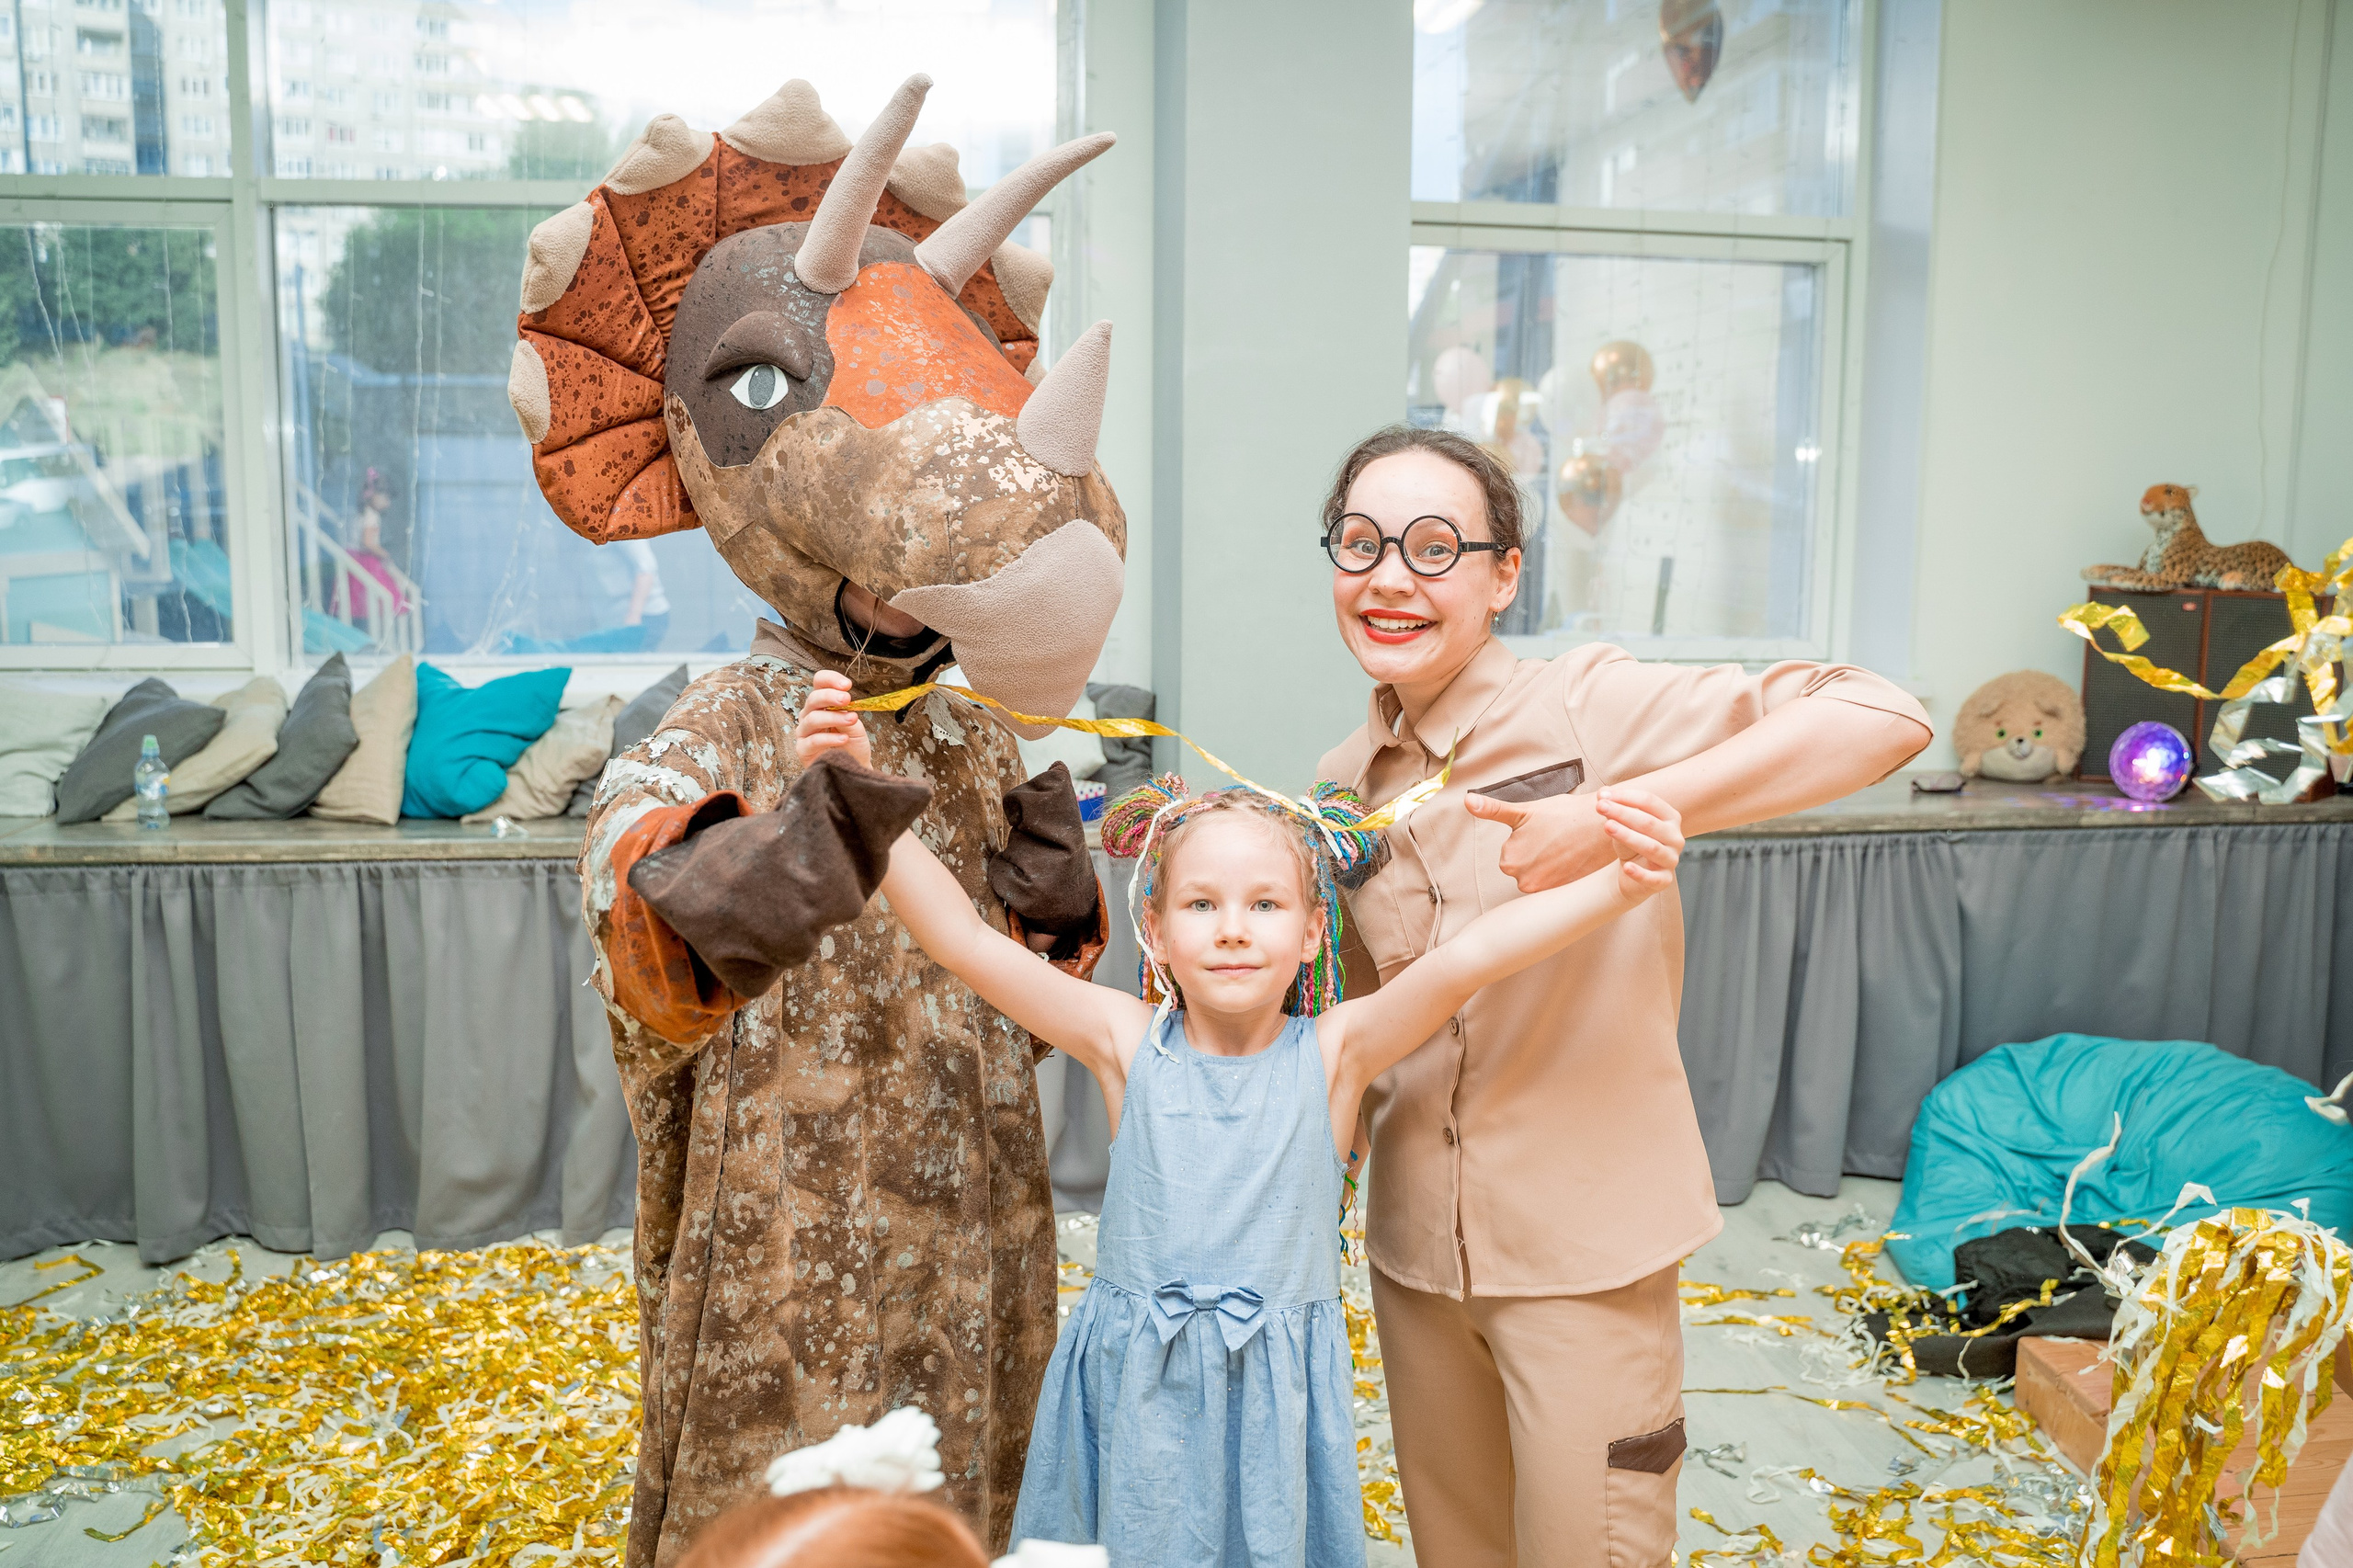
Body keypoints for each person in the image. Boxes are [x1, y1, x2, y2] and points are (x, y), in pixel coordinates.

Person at [796, 668, 1688, 1568]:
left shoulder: (1336, 1051)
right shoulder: (1123, 1039)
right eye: (1202, 904)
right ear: (1159, 924)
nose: (1232, 929)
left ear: (1309, 932)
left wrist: (1622, 884)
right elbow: (964, 939)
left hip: (1274, 1402)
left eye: (1264, 904)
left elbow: (1469, 961)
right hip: (1131, 1389)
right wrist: (855, 790)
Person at [1312, 424, 1933, 1568]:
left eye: (1435, 546)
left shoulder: (1588, 705)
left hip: (1583, 1254)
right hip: (1412, 1256)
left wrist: (1622, 809)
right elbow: (1355, 1030)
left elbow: (1884, 714)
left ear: (1504, 575)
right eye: (1359, 544)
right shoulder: (1341, 786)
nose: (1390, 575)